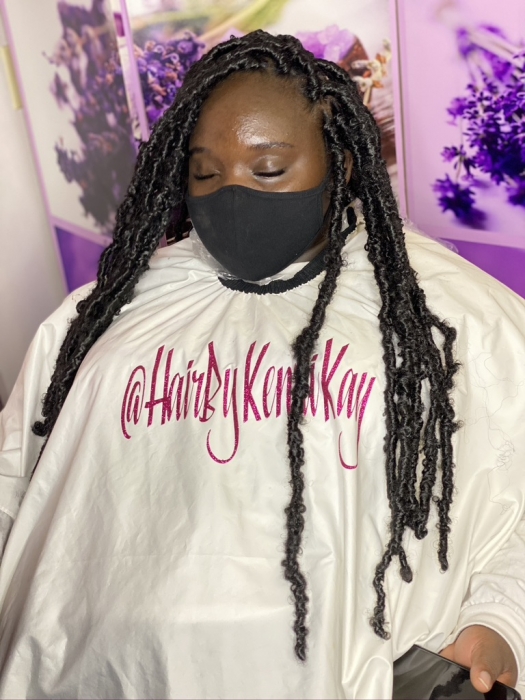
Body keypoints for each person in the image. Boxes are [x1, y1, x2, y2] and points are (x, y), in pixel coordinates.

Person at [1, 30, 525, 699]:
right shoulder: (105, 316)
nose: (234, 195)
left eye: (269, 170)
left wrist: (500, 622)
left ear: (340, 162)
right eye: (205, 174)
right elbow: (16, 478)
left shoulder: (452, 316)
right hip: (103, 672)